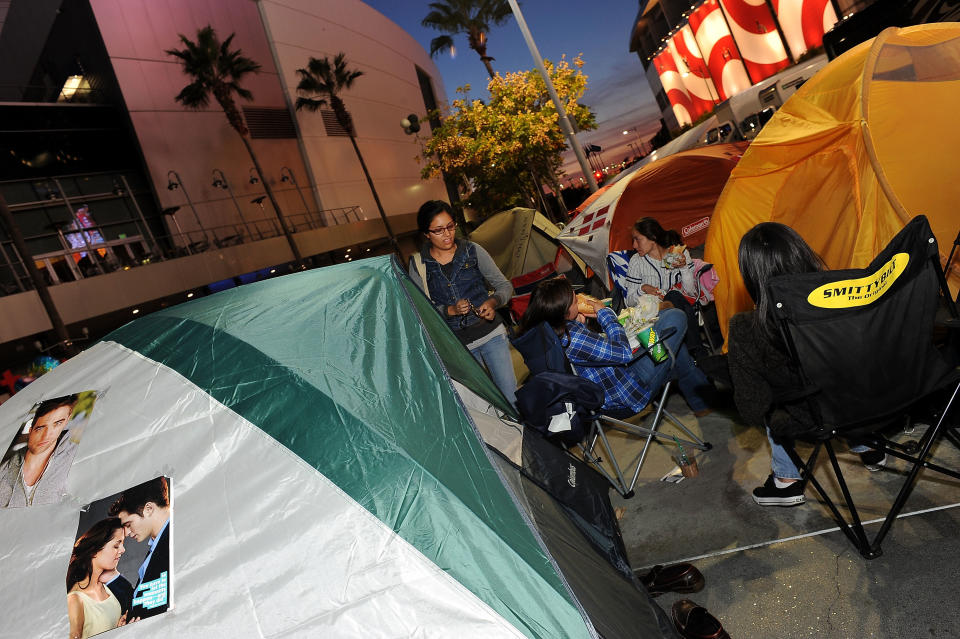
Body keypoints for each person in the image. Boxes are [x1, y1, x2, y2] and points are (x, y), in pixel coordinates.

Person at [728, 222, 886, 507]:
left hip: (812, 416)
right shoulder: (845, 293)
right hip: (872, 400)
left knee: (772, 400)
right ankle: (869, 446)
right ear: (801, 252)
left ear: (751, 274)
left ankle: (786, 480)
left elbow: (752, 408)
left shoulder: (746, 328)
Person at [518, 277, 713, 417]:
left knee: (660, 333)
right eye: (574, 299)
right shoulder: (573, 337)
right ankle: (698, 396)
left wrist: (583, 324)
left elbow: (596, 355)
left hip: (617, 380)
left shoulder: (554, 333)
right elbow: (624, 353)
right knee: (674, 318)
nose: (579, 298)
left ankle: (699, 401)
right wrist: (606, 315)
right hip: (629, 393)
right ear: (563, 310)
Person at [408, 200, 517, 406]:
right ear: (426, 234)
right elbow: (419, 310)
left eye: (450, 226)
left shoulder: (472, 250)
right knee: (482, 408)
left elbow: (504, 286)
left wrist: (492, 302)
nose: (447, 234)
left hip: (491, 335)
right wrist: (449, 310)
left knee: (511, 399)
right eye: (439, 230)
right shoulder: (419, 265)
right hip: (457, 347)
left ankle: (526, 438)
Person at [625, 218, 720, 359]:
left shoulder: (677, 253)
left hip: (679, 305)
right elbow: (629, 303)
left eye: (637, 239)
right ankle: (698, 353)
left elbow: (690, 291)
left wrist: (684, 268)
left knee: (675, 296)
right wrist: (642, 288)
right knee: (674, 298)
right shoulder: (636, 262)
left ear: (653, 237)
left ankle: (694, 354)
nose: (634, 245)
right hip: (653, 313)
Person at [109, 477, 171, 619]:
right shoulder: (159, 543)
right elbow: (147, 597)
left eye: (128, 524)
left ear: (148, 509)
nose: (127, 533)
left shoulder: (172, 540)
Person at [0, 394, 78, 507]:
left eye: (57, 424)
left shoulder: (71, 450)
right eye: (40, 428)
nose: (46, 436)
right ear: (30, 430)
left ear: (66, 422)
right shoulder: (5, 468)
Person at [67, 518, 130, 639]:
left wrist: (119, 629)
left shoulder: (106, 588)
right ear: (94, 551)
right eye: (116, 546)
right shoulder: (75, 600)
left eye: (122, 544)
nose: (122, 550)